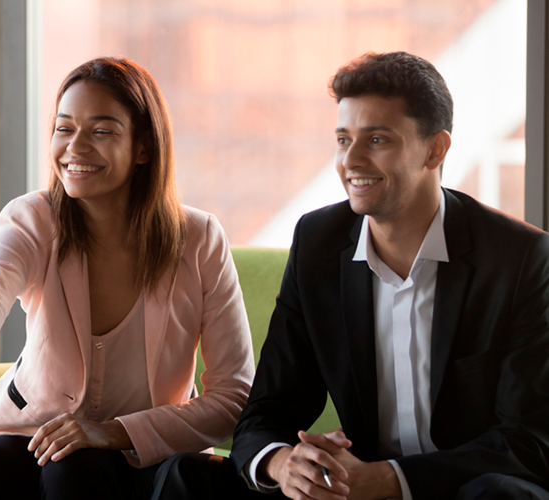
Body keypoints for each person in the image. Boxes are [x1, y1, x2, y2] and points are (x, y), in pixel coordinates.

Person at [153, 51, 549, 500]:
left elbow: (528, 443)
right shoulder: (319, 242)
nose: (351, 160)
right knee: (185, 477)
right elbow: (269, 409)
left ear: (435, 149)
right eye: (343, 140)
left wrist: (386, 479)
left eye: (377, 140)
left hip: (452, 487)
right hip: (344, 487)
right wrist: (285, 464)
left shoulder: (518, 259)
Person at [0, 56, 255, 500]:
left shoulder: (199, 239)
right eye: (64, 128)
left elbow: (233, 396)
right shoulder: (35, 219)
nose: (75, 148)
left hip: (139, 451)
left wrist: (114, 432)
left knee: (75, 471)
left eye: (101, 131)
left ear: (144, 148)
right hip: (34, 433)